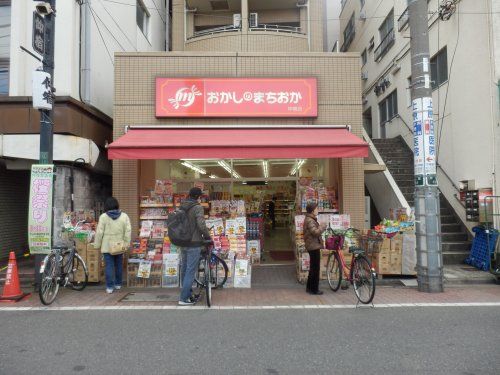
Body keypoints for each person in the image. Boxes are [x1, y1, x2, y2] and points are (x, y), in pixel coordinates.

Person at [178, 187, 212, 306]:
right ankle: (183, 298)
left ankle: (187, 293)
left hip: (183, 241)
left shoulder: (182, 206)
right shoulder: (197, 207)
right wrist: (208, 237)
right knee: (190, 270)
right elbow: (201, 224)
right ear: (198, 196)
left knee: (184, 269)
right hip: (194, 242)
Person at [94, 197, 131, 294]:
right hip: (119, 245)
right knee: (118, 265)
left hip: (107, 246)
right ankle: (118, 284)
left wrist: (97, 245)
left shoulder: (103, 217)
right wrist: (126, 243)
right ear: (117, 205)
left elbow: (99, 232)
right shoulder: (124, 216)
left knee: (109, 266)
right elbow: (128, 231)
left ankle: (110, 287)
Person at [303, 202, 326, 295]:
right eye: (316, 209)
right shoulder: (310, 220)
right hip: (313, 246)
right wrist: (322, 227)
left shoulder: (309, 219)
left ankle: (309, 287)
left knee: (313, 267)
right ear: (312, 210)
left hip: (312, 245)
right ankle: (314, 289)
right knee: (315, 268)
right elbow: (315, 232)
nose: (318, 210)